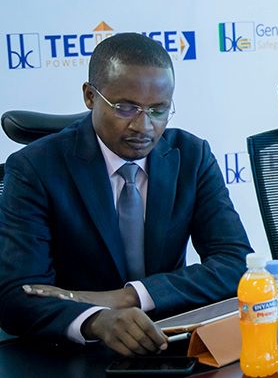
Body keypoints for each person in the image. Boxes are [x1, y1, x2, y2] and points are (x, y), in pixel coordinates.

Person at [0, 33, 253, 355]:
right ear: (90, 96)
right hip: (79, 351)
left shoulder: (191, 156)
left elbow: (237, 264)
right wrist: (97, 320)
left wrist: (131, 296)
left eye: (158, 110)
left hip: (172, 341)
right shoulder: (34, 167)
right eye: (126, 108)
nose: (144, 127)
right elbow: (16, 295)